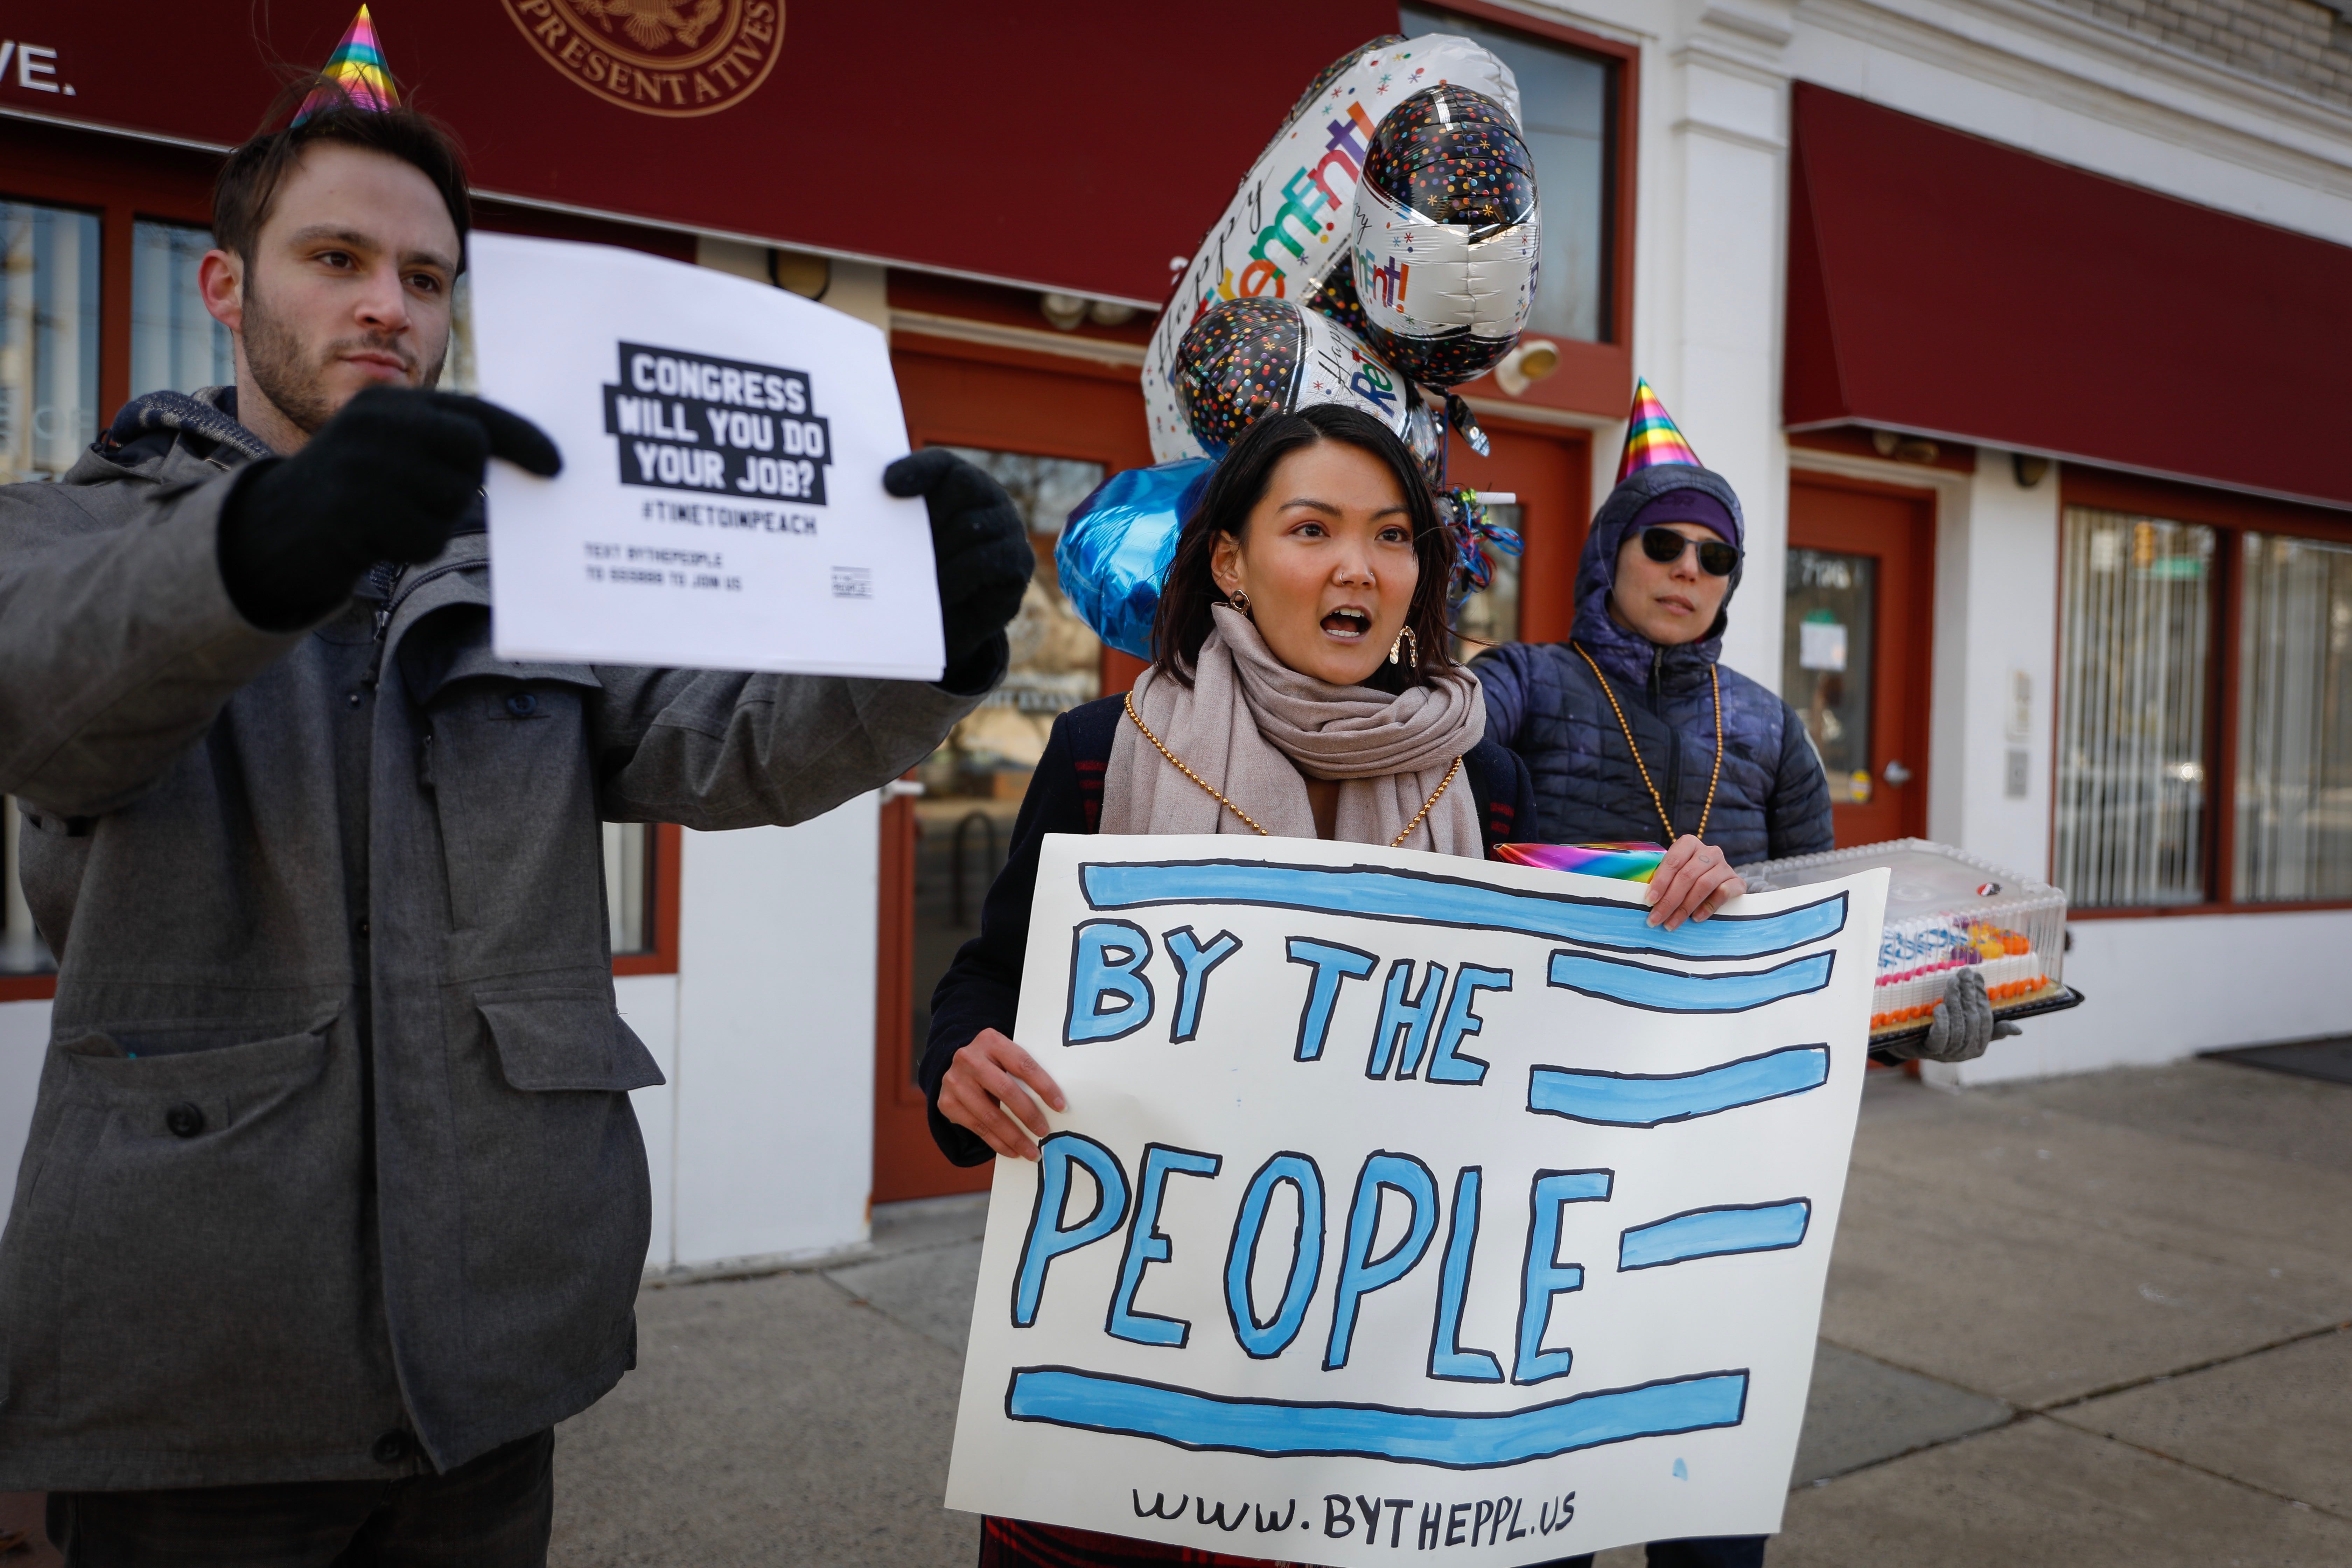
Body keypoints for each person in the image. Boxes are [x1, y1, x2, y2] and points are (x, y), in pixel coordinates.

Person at [0, 74, 1032, 1566]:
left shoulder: (528, 562)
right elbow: (48, 687)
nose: (385, 308)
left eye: (423, 278)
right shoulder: (82, 528)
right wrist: (268, 546)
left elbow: (727, 743)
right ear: (224, 285)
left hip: (491, 1354)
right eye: (335, 259)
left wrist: (926, 640)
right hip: (194, 1359)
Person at [920, 404, 1540, 1567]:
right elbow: (992, 976)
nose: (1359, 566)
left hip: (1381, 1413)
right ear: (1230, 563)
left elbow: (1550, 1043)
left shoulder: (1487, 779)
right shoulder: (1109, 750)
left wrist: (1688, 919)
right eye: (1312, 529)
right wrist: (963, 1059)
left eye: (1394, 536)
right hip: (1136, 1396)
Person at [1473, 387, 2009, 1568]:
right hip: (1541, 1156)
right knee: (1533, 1517)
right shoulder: (1522, 678)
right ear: (1613, 551)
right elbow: (1423, 746)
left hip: (1721, 1161)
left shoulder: (1769, 728)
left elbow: (1828, 944)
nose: (1688, 569)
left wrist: (1919, 1022)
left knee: (1703, 1510)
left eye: (1717, 556)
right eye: (1663, 543)